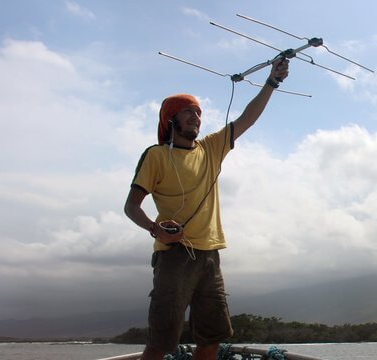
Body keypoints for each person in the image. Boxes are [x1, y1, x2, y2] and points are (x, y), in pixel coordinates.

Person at [124, 59, 289, 360]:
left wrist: (272, 83)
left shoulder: (211, 148)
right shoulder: (156, 156)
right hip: (173, 256)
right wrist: (155, 228)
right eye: (188, 112)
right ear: (170, 119)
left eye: (198, 113)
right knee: (161, 340)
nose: (196, 117)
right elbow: (131, 206)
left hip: (210, 256)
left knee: (212, 336)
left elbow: (247, 119)